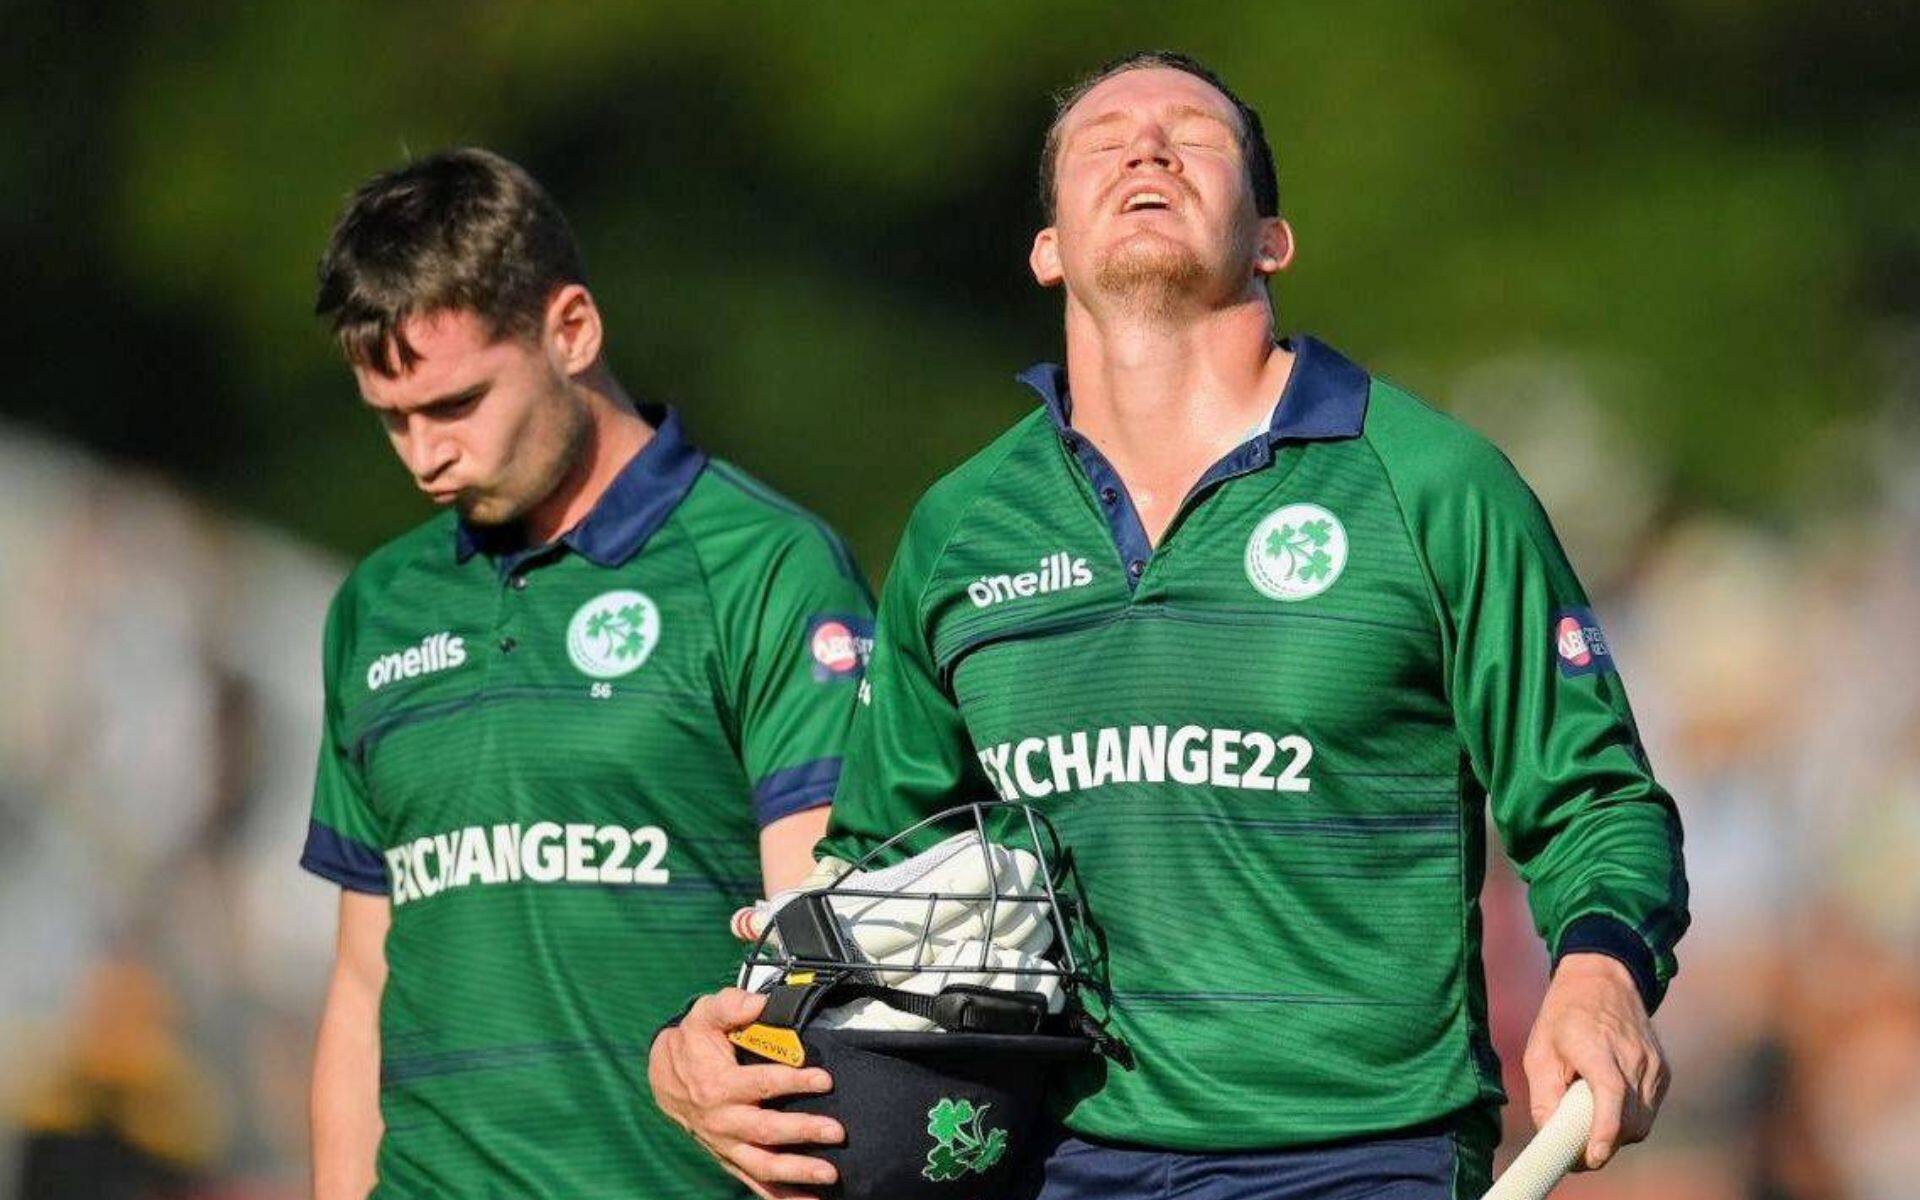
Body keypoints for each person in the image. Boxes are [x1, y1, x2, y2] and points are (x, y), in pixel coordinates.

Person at [648, 52, 1689, 1199]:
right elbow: (872, 874)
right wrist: (719, 1047)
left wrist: (1600, 971)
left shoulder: (1433, 483)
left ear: (1271, 239)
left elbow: (1595, 800)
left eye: (1192, 136)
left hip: (1362, 1154)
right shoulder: (960, 526)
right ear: (1048, 249)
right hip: (1056, 1164)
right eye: (1103, 144)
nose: (1146, 149)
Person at [303, 147, 872, 1198]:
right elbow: (361, 977)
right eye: (393, 419)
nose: (424, 455)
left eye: (457, 403)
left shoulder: (765, 566)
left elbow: (828, 937)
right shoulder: (377, 608)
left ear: (571, 330)